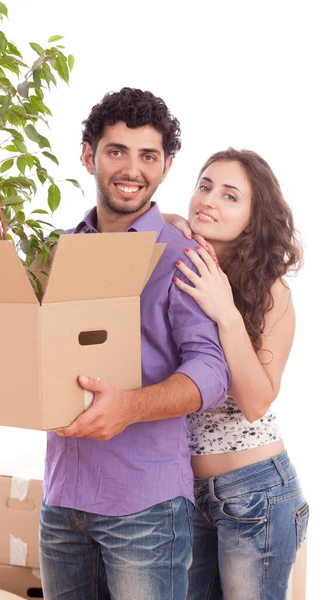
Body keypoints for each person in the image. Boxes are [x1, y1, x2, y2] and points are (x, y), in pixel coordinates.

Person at [38, 88, 230, 600]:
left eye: (148, 155)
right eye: (116, 150)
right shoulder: (60, 250)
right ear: (88, 155)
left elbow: (212, 372)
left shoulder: (182, 255)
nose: (132, 169)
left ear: (166, 166)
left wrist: (129, 407)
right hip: (61, 501)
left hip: (144, 510)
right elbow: (35, 354)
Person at [165, 148, 308, 600]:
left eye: (230, 196)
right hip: (184, 491)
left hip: (256, 491)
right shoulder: (178, 264)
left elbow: (255, 401)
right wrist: (164, 222)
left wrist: (225, 311)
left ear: (253, 216)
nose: (208, 200)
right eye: (204, 186)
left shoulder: (271, 290)